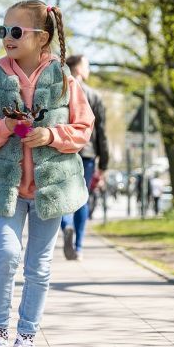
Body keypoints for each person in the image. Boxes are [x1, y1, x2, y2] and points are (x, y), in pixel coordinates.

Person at [0, 0, 94, 347]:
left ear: (43, 38)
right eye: (2, 31)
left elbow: (83, 129)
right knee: (6, 255)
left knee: (39, 266)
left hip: (50, 192)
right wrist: (3, 127)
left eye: (16, 31)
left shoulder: (65, 81)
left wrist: (51, 134)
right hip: (6, 190)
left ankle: (26, 341)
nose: (7, 38)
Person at [60, 55, 109, 261]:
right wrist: (104, 163)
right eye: (87, 66)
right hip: (86, 153)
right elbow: (101, 131)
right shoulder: (94, 96)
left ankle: (66, 225)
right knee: (82, 198)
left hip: (61, 148)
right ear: (79, 69)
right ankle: (78, 246)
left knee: (60, 195)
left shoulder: (59, 90)